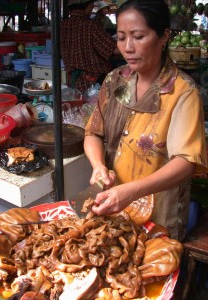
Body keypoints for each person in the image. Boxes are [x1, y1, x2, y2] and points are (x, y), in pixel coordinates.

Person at [84, 0, 208, 241]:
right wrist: (98, 165)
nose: (128, 47)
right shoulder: (114, 81)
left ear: (164, 37)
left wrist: (131, 192)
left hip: (158, 218)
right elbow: (93, 133)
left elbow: (186, 162)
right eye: (121, 37)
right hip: (113, 208)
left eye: (138, 36)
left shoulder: (182, 92)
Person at [60, 0, 119, 93]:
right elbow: (115, 49)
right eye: (92, 5)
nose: (92, 8)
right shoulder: (91, 26)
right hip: (94, 83)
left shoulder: (62, 25)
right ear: (87, 6)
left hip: (72, 82)